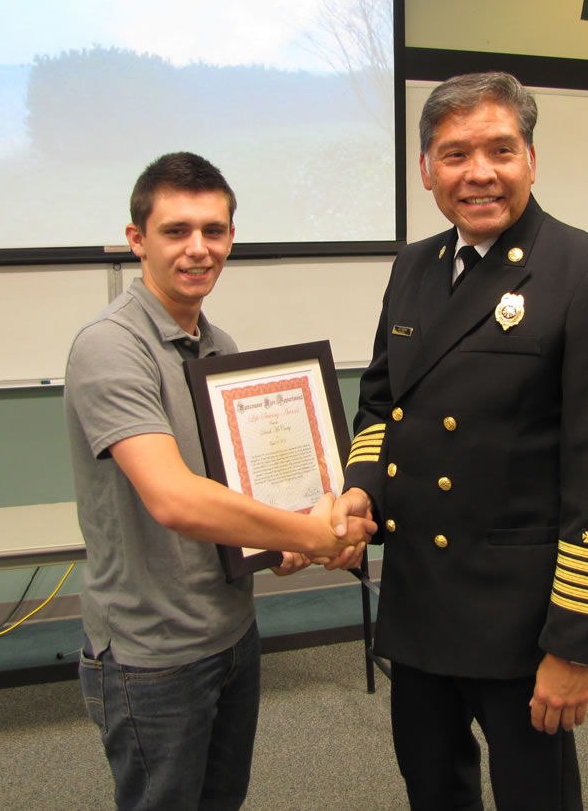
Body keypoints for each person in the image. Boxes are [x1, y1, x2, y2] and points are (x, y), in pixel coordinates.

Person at [337, 72, 588, 810]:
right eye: (454, 154)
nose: (478, 173)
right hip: (420, 601)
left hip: (522, 621)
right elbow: (383, 405)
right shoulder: (414, 267)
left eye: (499, 149)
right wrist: (362, 492)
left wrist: (576, 642)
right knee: (433, 788)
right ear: (426, 170)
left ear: (531, 159)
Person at [64, 151, 375, 811]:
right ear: (136, 240)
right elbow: (174, 499)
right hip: (155, 654)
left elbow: (239, 497)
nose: (198, 249)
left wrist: (280, 545)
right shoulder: (110, 346)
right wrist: (316, 536)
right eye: (176, 230)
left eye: (214, 230)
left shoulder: (220, 348)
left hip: (232, 632)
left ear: (232, 237)